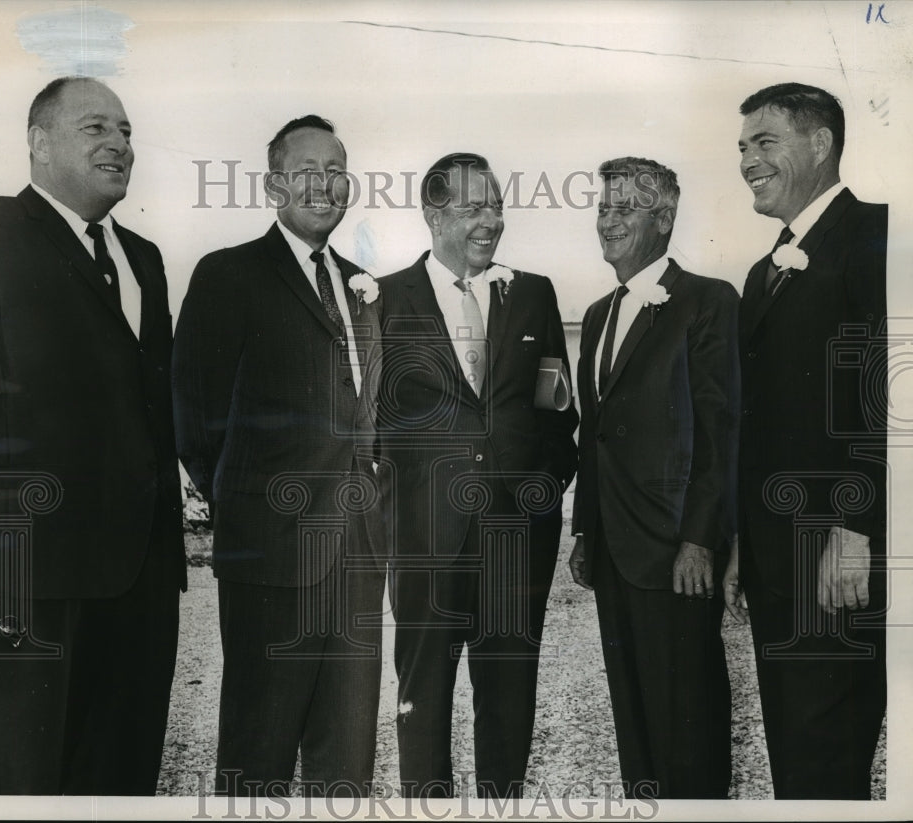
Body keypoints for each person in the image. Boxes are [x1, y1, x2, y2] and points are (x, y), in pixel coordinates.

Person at [0, 76, 187, 795]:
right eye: (95, 128)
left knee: (125, 778)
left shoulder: (146, 259)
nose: (119, 143)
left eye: (128, 130)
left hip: (141, 574)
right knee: (29, 781)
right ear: (38, 143)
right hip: (31, 569)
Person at [172, 115, 384, 797]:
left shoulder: (361, 287)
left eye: (337, 170)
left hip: (356, 557)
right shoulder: (228, 275)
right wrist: (253, 504)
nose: (325, 185)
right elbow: (195, 416)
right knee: (257, 753)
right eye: (308, 170)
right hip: (269, 555)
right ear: (273, 185)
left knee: (346, 757)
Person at [376, 153, 578, 798]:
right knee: (423, 694)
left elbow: (555, 408)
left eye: (496, 206)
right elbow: (369, 426)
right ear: (433, 216)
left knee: (510, 692)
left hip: (517, 537)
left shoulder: (534, 293)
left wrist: (543, 491)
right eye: (471, 209)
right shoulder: (382, 299)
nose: (490, 222)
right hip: (424, 540)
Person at [725, 82, 887, 799]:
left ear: (819, 144)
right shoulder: (764, 272)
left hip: (837, 556)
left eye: (764, 142)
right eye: (741, 148)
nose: (747, 162)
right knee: (796, 747)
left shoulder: (877, 235)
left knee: (830, 751)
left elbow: (892, 399)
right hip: (775, 561)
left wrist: (857, 527)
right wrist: (737, 542)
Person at [568, 157, 739, 799]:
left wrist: (700, 539)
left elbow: (719, 431)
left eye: (624, 208)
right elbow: (597, 438)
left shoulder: (707, 301)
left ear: (664, 219)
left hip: (675, 553)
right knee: (633, 722)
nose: (608, 220)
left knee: (687, 724)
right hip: (614, 551)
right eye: (603, 208)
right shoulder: (595, 313)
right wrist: (585, 532)